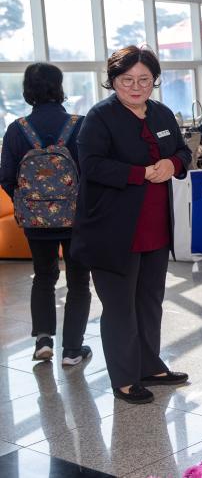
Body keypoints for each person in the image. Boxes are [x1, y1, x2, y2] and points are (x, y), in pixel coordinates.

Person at [71, 46, 192, 404]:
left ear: (155, 80)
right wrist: (140, 173)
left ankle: (149, 366)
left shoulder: (161, 113)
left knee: (150, 300)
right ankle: (124, 378)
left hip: (155, 227)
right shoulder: (99, 117)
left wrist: (173, 164)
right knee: (120, 306)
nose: (136, 87)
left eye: (144, 80)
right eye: (127, 80)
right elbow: (91, 165)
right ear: (112, 81)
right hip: (113, 230)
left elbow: (183, 151)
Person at [0, 63, 91, 365]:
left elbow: (6, 177)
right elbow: (93, 173)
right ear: (59, 87)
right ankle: (73, 350)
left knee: (43, 276)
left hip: (36, 220)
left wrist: (30, 201)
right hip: (76, 217)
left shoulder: (17, 129)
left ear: (28, 90)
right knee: (79, 280)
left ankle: (43, 340)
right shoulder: (80, 125)